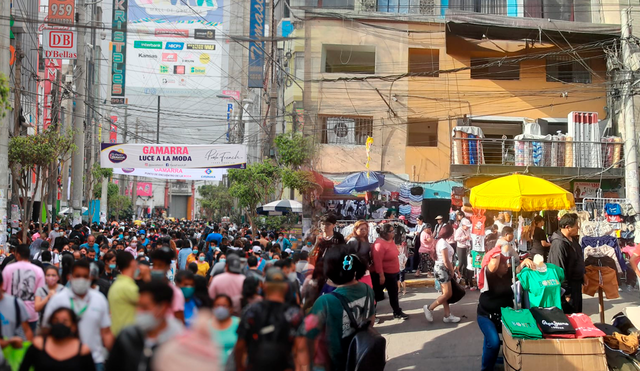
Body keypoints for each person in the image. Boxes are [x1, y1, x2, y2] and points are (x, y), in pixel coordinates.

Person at [306, 245, 375, 371]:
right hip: (358, 355)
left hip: (333, 362)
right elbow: (371, 320)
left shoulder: (326, 301)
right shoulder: (367, 290)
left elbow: (308, 335)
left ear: (329, 270)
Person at [42, 260, 114, 370]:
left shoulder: (99, 300)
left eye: (85, 276)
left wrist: (117, 358)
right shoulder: (57, 300)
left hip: (94, 360)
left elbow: (106, 333)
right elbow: (46, 331)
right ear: (70, 277)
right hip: (63, 360)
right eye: (78, 276)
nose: (81, 280)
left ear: (90, 278)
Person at [234, 268, 308, 371]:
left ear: (264, 286)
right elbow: (301, 349)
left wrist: (239, 367)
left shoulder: (252, 311)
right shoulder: (294, 314)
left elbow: (240, 345)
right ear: (286, 288)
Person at [106, 280, 184, 371]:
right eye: (137, 306)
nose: (138, 311)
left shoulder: (178, 342)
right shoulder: (127, 336)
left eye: (144, 307)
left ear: (163, 307)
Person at [19, 308, 95, 371]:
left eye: (65, 322)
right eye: (56, 321)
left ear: (73, 326)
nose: (59, 324)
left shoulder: (83, 350)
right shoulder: (39, 345)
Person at [423, 224, 461, 323]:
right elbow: (445, 260)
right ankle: (430, 308)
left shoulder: (439, 241)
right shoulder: (443, 243)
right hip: (443, 269)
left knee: (445, 293)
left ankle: (447, 315)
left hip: (440, 268)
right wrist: (452, 270)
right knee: (448, 294)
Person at [2, 244, 45, 332]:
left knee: (11, 342)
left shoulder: (8, 269)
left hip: (11, 313)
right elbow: (40, 294)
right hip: (31, 313)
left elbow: (2, 291)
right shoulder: (38, 271)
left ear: (17, 254)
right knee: (28, 343)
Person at [371, 223, 409, 320]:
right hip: (384, 274)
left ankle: (397, 312)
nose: (394, 233)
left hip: (392, 274)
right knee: (375, 295)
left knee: (394, 294)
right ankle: (372, 315)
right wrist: (381, 275)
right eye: (391, 231)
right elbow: (377, 262)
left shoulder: (390, 240)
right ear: (385, 233)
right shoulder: (379, 245)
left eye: (393, 231)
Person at [548, 213, 584, 314]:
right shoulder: (559, 244)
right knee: (570, 316)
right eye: (576, 225)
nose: (578, 228)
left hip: (576, 285)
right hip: (567, 289)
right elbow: (558, 268)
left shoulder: (573, 239)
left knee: (577, 314)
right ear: (568, 227)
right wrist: (566, 293)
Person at [108, 251, 140, 337]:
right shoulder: (128, 287)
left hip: (118, 334)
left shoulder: (116, 284)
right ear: (132, 263)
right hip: (127, 337)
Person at [149, 248, 185, 323]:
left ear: (168, 267)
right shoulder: (147, 289)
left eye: (160, 265)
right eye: (154, 265)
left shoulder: (176, 293)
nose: (156, 268)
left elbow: (180, 321)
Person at [0, 272, 33, 352]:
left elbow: (27, 330)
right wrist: (7, 342)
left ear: (1, 285)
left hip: (13, 358)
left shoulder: (16, 303)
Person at [209, 294, 240, 367]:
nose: (220, 308)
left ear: (231, 309)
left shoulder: (238, 323)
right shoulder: (207, 326)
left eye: (224, 306)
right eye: (217, 305)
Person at [454, 218, 473, 289]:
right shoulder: (459, 230)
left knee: (467, 264)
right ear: (463, 225)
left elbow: (470, 237)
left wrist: (469, 239)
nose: (467, 227)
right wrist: (464, 237)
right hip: (460, 247)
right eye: (466, 226)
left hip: (467, 247)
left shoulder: (468, 230)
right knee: (461, 262)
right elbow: (456, 238)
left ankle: (466, 280)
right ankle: (456, 276)